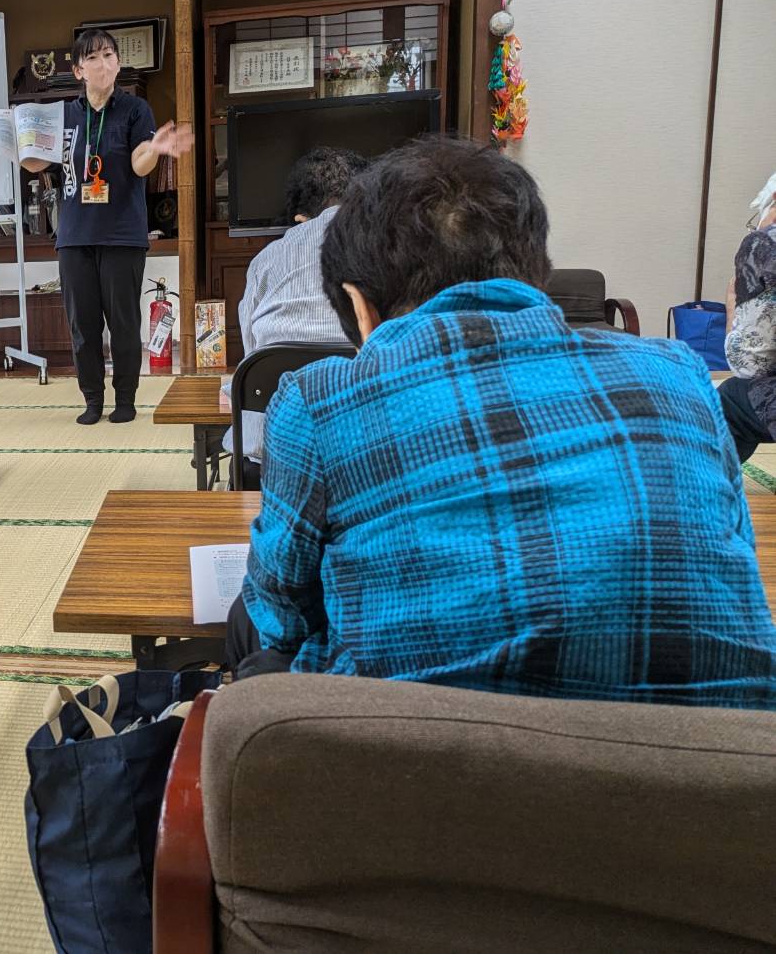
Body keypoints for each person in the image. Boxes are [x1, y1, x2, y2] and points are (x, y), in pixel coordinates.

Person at [227, 135, 776, 710]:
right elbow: (733, 555)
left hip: (420, 749)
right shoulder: (679, 373)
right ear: (536, 270)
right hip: (713, 752)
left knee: (254, 628)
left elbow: (281, 616)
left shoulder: (320, 400)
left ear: (359, 306)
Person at [0, 30, 193, 424]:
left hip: (122, 235)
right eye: (93, 57)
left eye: (109, 55)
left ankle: (125, 399)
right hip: (74, 236)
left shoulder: (135, 109)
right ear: (78, 70)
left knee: (124, 323)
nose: (103, 63)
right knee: (82, 325)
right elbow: (36, 161)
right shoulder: (63, 115)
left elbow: (139, 163)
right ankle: (92, 399)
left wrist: (155, 148)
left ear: (118, 63)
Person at [229, 147, 366, 465]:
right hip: (363, 449)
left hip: (275, 449)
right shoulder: (387, 250)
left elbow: (251, 352)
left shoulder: (267, 258)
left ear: (301, 215)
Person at [717, 169, 776, 461]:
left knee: (732, 397)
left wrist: (732, 305)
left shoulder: (764, 244)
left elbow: (751, 364)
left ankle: (710, 485)